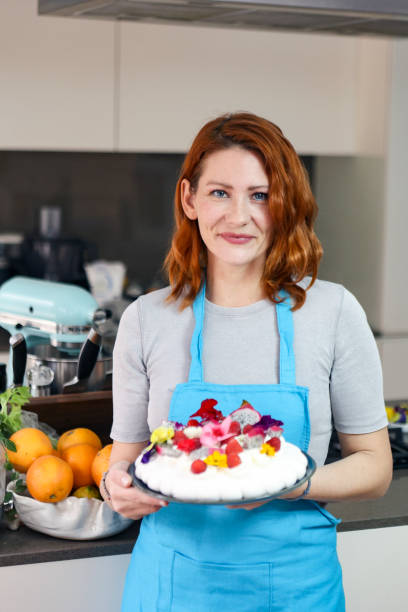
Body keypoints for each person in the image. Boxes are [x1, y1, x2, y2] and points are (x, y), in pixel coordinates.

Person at [101, 112, 393, 611]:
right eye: (220, 193)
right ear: (189, 199)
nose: (239, 216)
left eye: (260, 195)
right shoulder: (145, 320)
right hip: (172, 586)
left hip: (297, 589)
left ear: (284, 206)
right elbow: (123, 461)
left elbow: (375, 469)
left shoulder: (334, 312)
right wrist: (116, 487)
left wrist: (290, 485)